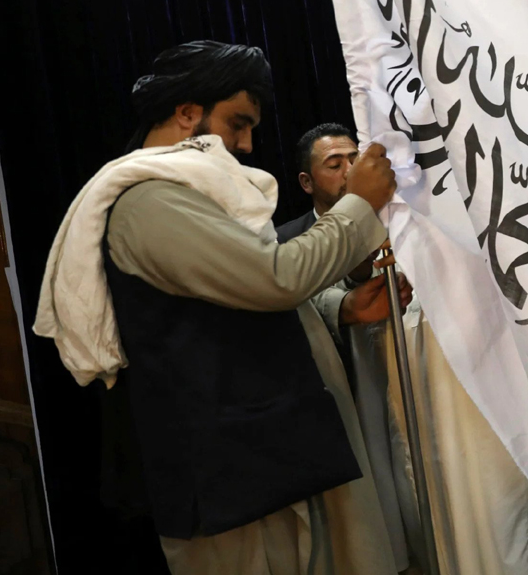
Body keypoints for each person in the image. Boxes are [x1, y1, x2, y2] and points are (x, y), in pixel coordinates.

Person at [35, 40, 409, 574]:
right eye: (238, 123)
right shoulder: (151, 201)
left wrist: (341, 309)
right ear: (188, 113)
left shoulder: (194, 192)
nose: (247, 144)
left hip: (267, 455)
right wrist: (360, 204)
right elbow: (274, 279)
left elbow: (236, 305)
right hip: (229, 479)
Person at [278, 121, 418, 571]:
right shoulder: (285, 242)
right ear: (307, 182)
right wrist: (344, 308)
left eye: (354, 159)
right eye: (334, 164)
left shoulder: (407, 226)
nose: (349, 171)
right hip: (346, 409)